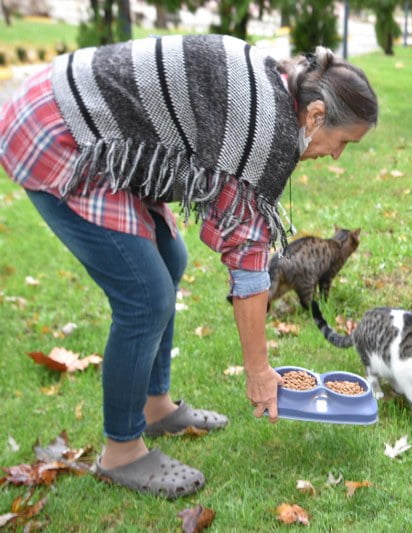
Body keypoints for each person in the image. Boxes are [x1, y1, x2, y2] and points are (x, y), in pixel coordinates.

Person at [0, 34, 378, 498]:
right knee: (144, 297)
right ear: (316, 116)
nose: (337, 155)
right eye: (342, 142)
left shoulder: (283, 90)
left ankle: (155, 406)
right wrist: (259, 374)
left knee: (170, 258)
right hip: (62, 131)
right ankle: (121, 450)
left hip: (86, 118)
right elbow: (248, 260)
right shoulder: (271, 134)